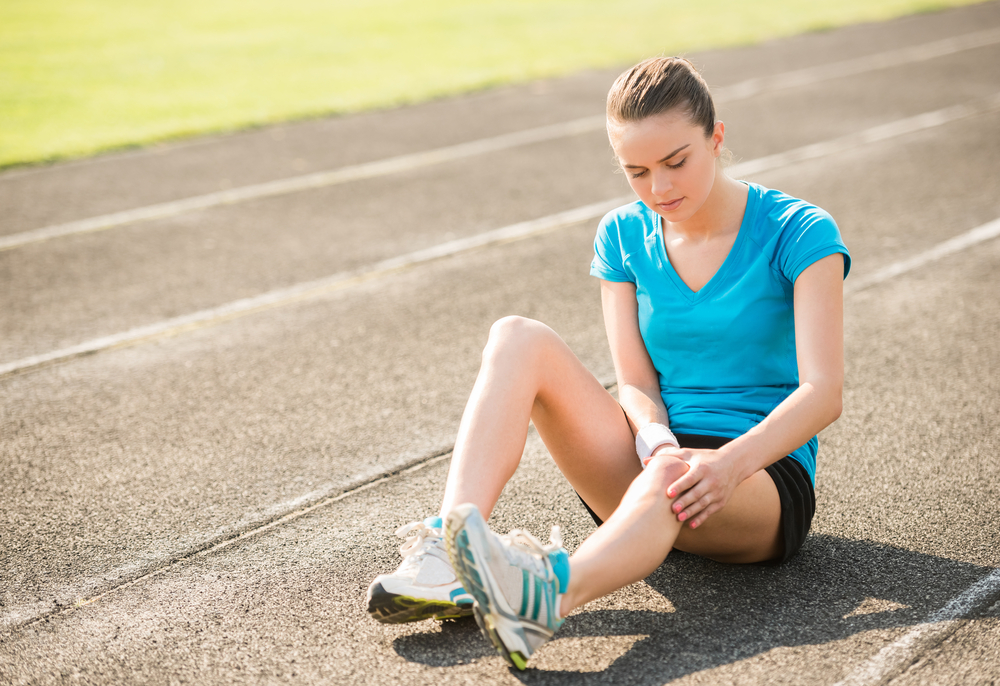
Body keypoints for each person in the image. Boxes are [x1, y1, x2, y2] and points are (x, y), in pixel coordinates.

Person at [366, 56, 850, 671]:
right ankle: (448, 549)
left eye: (676, 161)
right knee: (517, 336)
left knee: (669, 477)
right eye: (636, 172)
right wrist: (656, 440)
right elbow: (636, 381)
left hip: (757, 476)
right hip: (653, 454)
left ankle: (545, 599)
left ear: (716, 138)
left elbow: (823, 392)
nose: (659, 188)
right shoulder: (622, 234)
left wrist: (727, 464)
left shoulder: (799, 231)